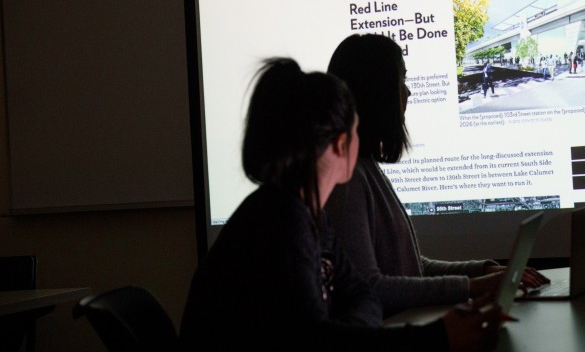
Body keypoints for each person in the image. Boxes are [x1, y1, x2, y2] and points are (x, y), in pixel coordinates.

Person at [180, 58, 502, 351]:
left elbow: (363, 296)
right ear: (341, 143)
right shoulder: (281, 222)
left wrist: (351, 335)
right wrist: (438, 337)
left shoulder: (310, 215)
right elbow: (315, 339)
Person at [326, 34, 549, 316]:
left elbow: (413, 268)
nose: (407, 93)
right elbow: (371, 287)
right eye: (401, 80)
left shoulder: (364, 166)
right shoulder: (345, 179)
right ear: (376, 91)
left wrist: (484, 271)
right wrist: (473, 287)